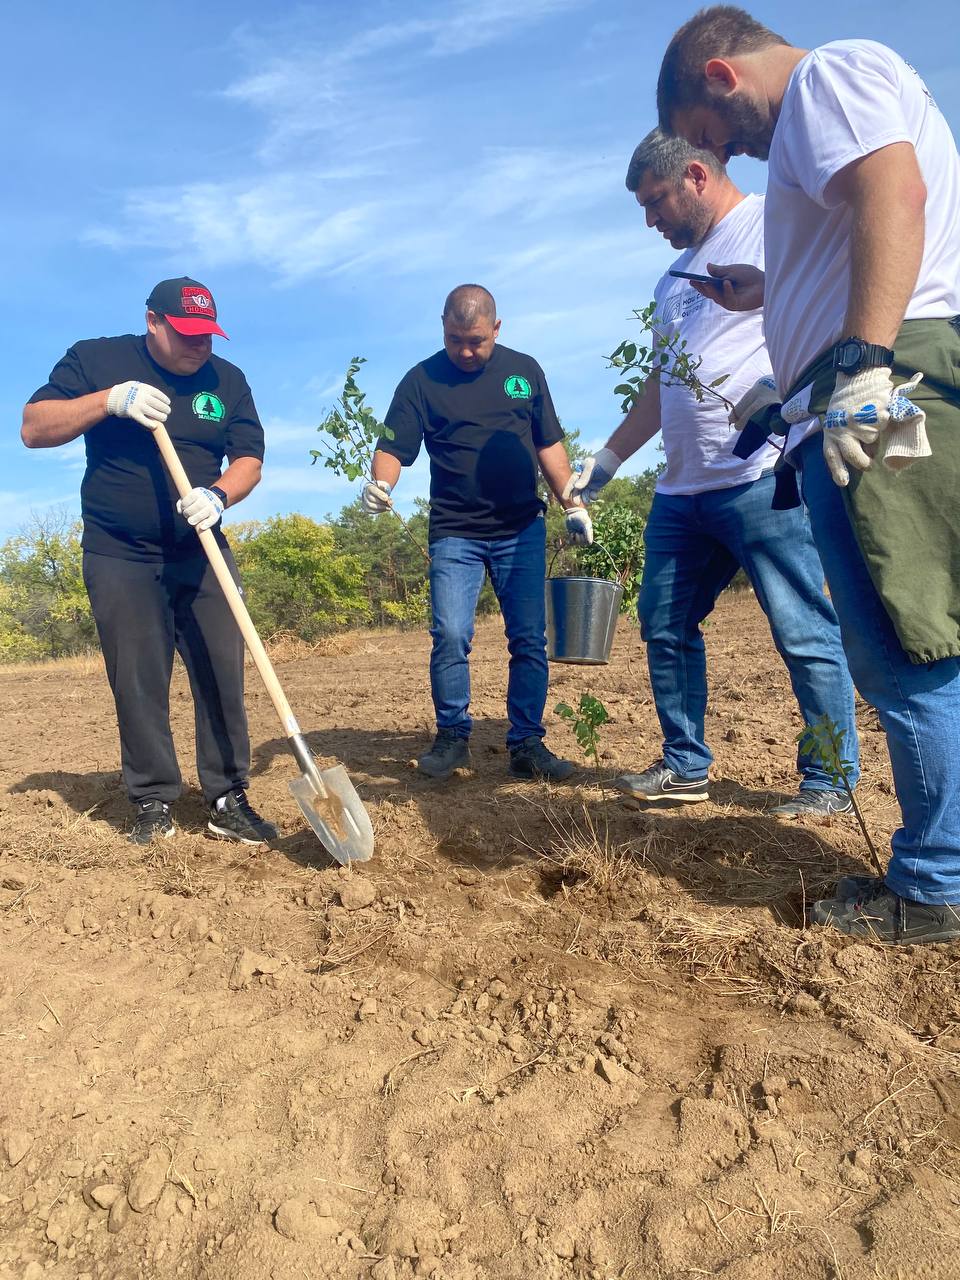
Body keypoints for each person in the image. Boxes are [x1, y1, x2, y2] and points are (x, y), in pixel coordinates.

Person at [657, 7, 960, 943]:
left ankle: (935, 885)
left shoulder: (829, 75)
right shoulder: (828, 106)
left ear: (720, 75)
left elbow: (893, 195)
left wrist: (865, 361)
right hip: (859, 385)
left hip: (878, 382)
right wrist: (769, 293)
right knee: (910, 622)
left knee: (901, 630)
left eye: (713, 138)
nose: (729, 153)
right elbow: (858, 219)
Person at [569, 129, 859, 814]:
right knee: (663, 626)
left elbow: (831, 315)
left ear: (696, 175)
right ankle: (684, 766)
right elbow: (661, 382)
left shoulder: (775, 228)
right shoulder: (671, 283)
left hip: (762, 477)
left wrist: (790, 400)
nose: (650, 220)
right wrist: (610, 457)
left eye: (655, 201)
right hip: (681, 493)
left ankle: (828, 780)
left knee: (803, 631)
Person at [22, 277, 278, 847]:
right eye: (186, 334)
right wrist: (109, 401)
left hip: (201, 549)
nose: (199, 347)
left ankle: (227, 797)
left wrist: (219, 495)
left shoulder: (228, 380)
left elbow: (251, 459)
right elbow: (33, 428)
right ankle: (153, 800)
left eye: (208, 335)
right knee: (138, 678)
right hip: (120, 553)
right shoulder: (97, 358)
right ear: (153, 322)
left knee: (220, 669)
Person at [363, 283, 592, 782]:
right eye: (454, 340)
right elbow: (394, 446)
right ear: (442, 329)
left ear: (496, 328)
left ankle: (527, 743)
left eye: (476, 341)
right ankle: (452, 738)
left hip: (521, 529)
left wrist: (571, 505)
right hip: (454, 533)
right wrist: (381, 483)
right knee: (450, 634)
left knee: (529, 638)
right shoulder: (420, 381)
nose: (465, 352)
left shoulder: (523, 372)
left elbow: (548, 444)